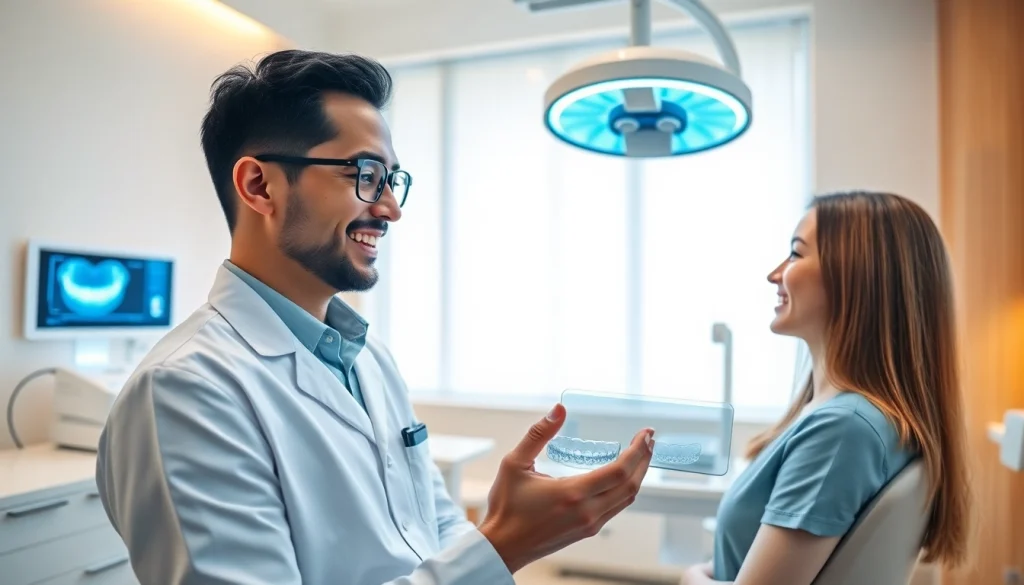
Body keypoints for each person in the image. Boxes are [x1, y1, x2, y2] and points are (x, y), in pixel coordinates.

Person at [94, 49, 655, 585]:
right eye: (365, 174)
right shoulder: (184, 392)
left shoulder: (367, 359)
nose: (390, 208)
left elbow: (430, 532)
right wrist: (506, 543)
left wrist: (496, 535)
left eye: (392, 180)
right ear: (260, 186)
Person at [681, 191, 973, 584]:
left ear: (857, 276)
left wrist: (689, 577)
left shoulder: (842, 431)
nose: (775, 274)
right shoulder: (846, 419)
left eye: (797, 254)